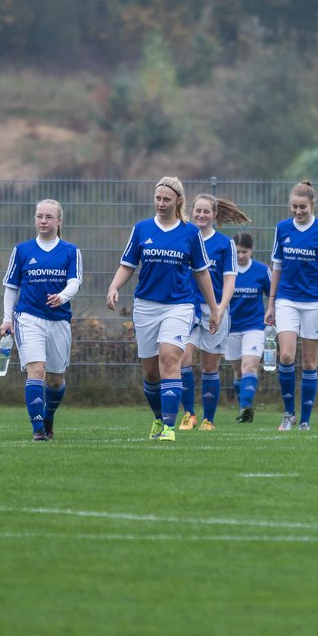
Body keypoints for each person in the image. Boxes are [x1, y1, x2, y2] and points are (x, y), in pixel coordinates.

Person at [106, 177, 220, 442]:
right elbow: (128, 265)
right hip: (146, 306)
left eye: (166, 199)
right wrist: (114, 287)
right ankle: (158, 418)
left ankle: (169, 427)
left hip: (179, 306)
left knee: (169, 359)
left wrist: (214, 309)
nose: (160, 203)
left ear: (178, 201)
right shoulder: (142, 229)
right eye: (157, 198)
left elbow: (202, 274)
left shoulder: (190, 233)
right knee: (150, 371)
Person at [1, 199, 83, 441]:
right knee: (36, 370)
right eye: (39, 216)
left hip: (59, 321)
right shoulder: (22, 250)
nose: (43, 221)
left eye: (49, 217)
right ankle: (38, 429)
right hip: (28, 318)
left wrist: (62, 296)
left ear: (59, 221)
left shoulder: (70, 251)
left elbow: (75, 282)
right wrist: (7, 319)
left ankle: (48, 417)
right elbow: (11, 287)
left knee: (56, 380)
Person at [265, 181, 318, 432]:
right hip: (287, 299)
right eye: (294, 207)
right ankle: (288, 414)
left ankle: (305, 420)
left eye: (303, 207)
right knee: (285, 355)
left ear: (312, 205)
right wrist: (271, 303)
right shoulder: (282, 229)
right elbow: (277, 266)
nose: (298, 212)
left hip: (315, 302)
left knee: (309, 362)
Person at [177, 193, 250, 432]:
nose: (201, 215)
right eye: (197, 211)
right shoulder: (184, 237)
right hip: (187, 307)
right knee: (182, 361)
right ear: (191, 212)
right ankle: (189, 415)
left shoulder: (224, 243)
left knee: (209, 368)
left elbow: (230, 279)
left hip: (214, 310)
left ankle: (208, 419)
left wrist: (220, 308)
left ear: (214, 215)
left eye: (206, 211)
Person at [224, 232, 270, 422]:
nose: (241, 256)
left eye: (245, 252)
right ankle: (243, 406)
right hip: (231, 328)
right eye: (237, 252)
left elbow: (273, 295)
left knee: (249, 367)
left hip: (254, 327)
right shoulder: (226, 272)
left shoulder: (261, 271)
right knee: (237, 372)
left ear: (251, 251)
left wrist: (272, 314)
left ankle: (245, 408)